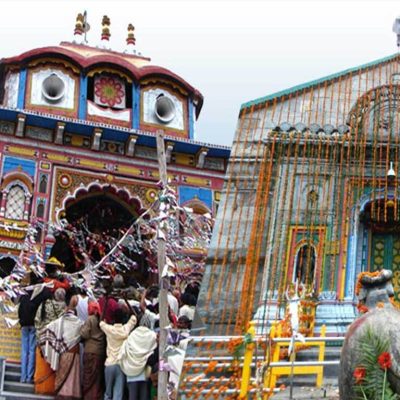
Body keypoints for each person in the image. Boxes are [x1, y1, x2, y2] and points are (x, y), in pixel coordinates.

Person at [39, 295, 83, 400]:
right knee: (73, 376)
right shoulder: (79, 323)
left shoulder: (60, 322)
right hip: (74, 352)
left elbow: (45, 330)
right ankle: (72, 395)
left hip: (64, 353)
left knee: (62, 374)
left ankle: (62, 395)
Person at [34, 288, 66, 395]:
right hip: (55, 341)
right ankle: (51, 388)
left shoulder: (44, 304)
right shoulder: (64, 308)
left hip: (43, 338)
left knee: (42, 363)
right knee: (53, 364)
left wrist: (39, 333)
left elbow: (37, 320)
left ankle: (40, 387)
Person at [100, 306, 136, 400]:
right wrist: (126, 300)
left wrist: (107, 301)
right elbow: (134, 316)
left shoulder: (109, 329)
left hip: (109, 364)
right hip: (121, 365)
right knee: (118, 394)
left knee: (108, 393)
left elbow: (101, 322)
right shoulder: (126, 329)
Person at [18, 274, 48, 383]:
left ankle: (22, 376)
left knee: (24, 350)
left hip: (24, 324)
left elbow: (20, 307)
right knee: (32, 350)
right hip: (34, 324)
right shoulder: (41, 293)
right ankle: (29, 377)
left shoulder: (25, 291)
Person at [118, 321, 157, 400]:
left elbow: (124, 351)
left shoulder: (131, 337)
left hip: (131, 374)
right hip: (144, 374)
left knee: (132, 397)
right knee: (144, 397)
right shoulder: (150, 336)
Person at [80, 301, 106, 400]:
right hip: (100, 351)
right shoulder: (102, 320)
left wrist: (81, 330)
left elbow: (84, 334)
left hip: (90, 350)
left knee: (88, 376)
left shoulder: (90, 319)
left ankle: (88, 397)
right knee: (96, 378)